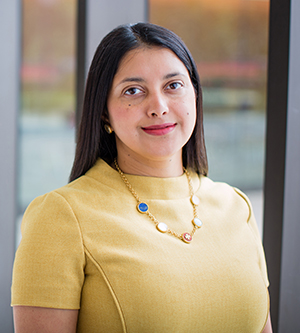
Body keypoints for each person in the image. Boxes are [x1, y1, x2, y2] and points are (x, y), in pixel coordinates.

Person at [11, 22, 272, 332]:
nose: (158, 107)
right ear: (104, 112)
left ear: (196, 96)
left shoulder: (235, 206)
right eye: (133, 91)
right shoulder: (60, 217)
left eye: (173, 85)